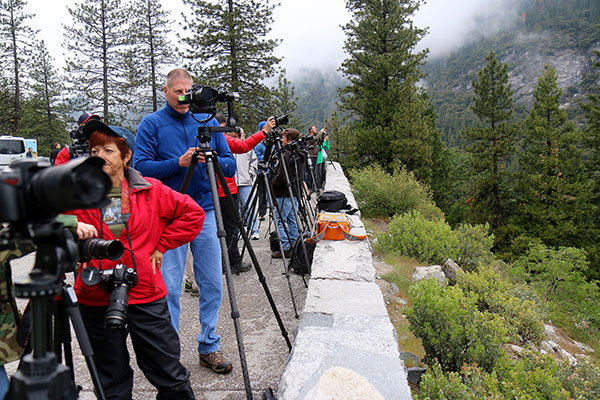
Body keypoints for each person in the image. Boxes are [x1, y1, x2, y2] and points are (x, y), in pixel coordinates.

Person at [68, 120, 203, 399]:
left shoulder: (152, 190)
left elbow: (193, 214)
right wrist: (67, 223)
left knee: (169, 373)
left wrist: (162, 244)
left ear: (126, 155)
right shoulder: (79, 194)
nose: (99, 158)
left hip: (144, 292)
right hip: (95, 295)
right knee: (110, 379)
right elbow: (44, 217)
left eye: (108, 151)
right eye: (94, 152)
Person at [133, 68, 236, 374]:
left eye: (188, 91)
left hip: (204, 211)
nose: (183, 97)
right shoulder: (152, 124)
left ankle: (209, 345)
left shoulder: (205, 122)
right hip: (168, 216)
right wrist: (178, 163)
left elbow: (230, 167)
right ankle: (169, 352)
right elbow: (140, 169)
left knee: (212, 283)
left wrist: (213, 159)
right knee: (169, 288)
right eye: (177, 91)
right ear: (165, 92)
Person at [271, 128, 306, 258]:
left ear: (289, 139)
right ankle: (296, 246)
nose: (281, 140)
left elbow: (282, 175)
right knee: (292, 219)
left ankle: (285, 247)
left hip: (284, 192)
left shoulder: (288, 154)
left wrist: (273, 182)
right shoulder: (300, 153)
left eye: (283, 138)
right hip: (295, 192)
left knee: (280, 220)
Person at [304, 125, 325, 191]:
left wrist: (322, 136)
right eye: (314, 128)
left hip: (315, 156)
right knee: (310, 172)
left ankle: (313, 186)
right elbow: (315, 139)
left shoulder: (314, 136)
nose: (316, 129)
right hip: (311, 156)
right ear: (311, 130)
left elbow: (320, 142)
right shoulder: (309, 137)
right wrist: (320, 132)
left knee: (314, 172)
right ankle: (309, 187)